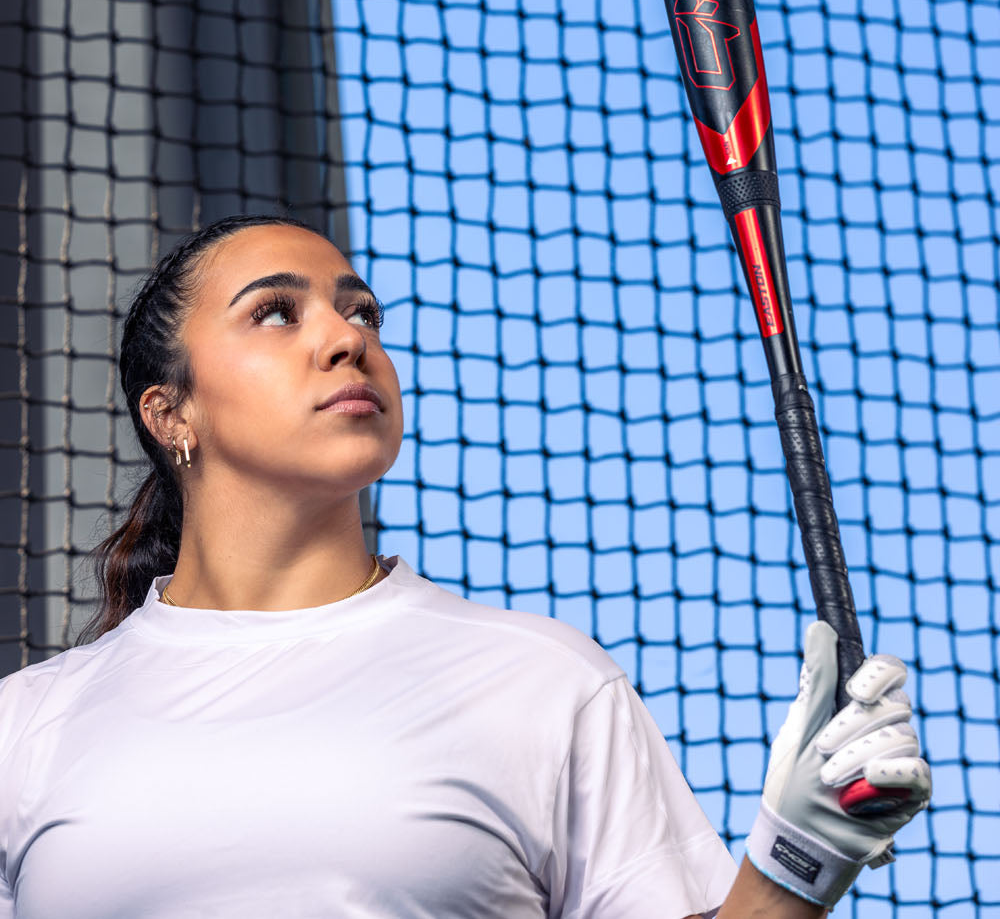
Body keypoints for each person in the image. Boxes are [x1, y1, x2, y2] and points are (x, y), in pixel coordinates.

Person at [0, 215, 930, 917]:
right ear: (171, 414)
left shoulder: (542, 680)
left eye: (359, 310)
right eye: (275, 312)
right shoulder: (29, 723)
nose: (346, 336)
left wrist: (794, 860)